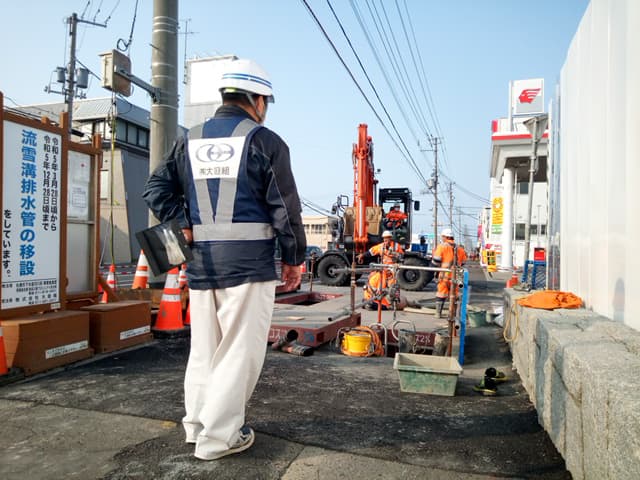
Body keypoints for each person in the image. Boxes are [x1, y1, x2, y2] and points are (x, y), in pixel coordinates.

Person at [142, 58, 306, 461]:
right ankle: (220, 439)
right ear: (258, 100)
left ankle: (197, 427)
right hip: (248, 268)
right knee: (237, 353)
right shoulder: (266, 142)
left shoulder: (189, 140)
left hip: (201, 266)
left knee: (205, 351)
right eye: (266, 102)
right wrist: (293, 258)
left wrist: (183, 223)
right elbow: (285, 208)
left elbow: (156, 188)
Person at [357, 230, 404, 310]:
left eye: (387, 238)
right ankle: (371, 299)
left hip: (392, 270)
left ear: (390, 238)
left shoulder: (396, 246)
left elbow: (402, 256)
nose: (386, 240)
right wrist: (362, 255)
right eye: (384, 238)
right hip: (383, 268)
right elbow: (371, 251)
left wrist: (395, 255)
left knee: (392, 288)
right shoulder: (381, 246)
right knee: (373, 280)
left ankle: (389, 303)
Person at [431, 228, 467, 318]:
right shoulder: (460, 249)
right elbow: (463, 262)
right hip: (457, 275)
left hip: (445, 274)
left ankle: (438, 313)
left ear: (445, 237)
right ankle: (453, 314)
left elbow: (436, 261)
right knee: (455, 294)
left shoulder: (442, 247)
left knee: (441, 293)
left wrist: (435, 271)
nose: (442, 238)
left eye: (442, 237)